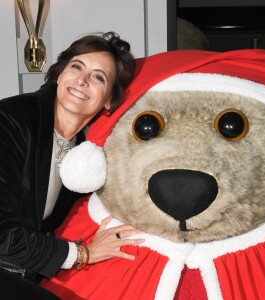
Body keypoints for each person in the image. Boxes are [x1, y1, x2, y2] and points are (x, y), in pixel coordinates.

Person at [0, 31, 144, 299]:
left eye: (98, 77)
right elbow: (3, 238)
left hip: (28, 273)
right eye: (77, 66)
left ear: (110, 100)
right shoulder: (9, 120)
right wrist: (84, 254)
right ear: (59, 74)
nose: (82, 80)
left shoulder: (89, 153)